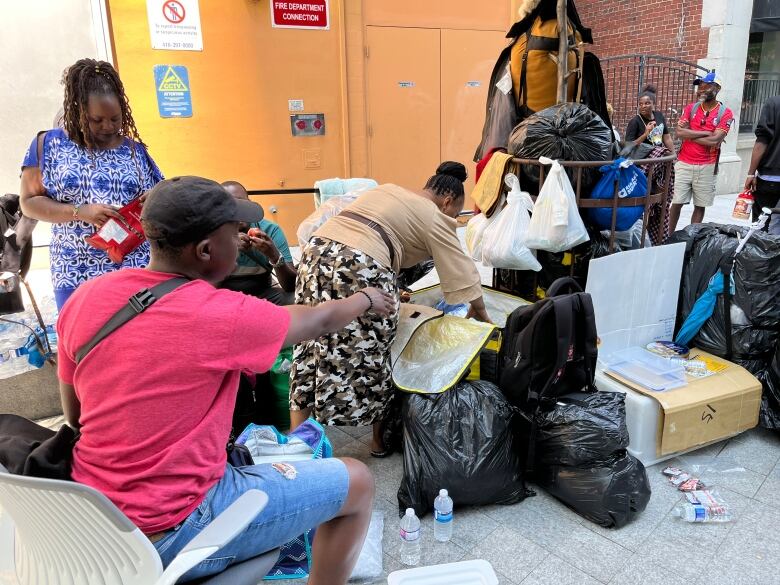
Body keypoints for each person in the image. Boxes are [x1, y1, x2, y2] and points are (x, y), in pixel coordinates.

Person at [56, 176, 393, 584]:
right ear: (205, 250)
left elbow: (74, 417)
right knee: (356, 484)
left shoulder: (87, 298)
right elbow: (318, 318)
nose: (241, 241)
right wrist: (366, 299)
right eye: (233, 234)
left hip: (88, 520)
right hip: (173, 528)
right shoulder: (221, 313)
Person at [290, 161, 490, 457]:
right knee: (374, 348)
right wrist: (481, 312)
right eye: (454, 211)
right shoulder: (434, 215)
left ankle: (297, 441)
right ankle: (378, 442)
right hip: (360, 264)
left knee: (310, 339)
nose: (451, 217)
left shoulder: (387, 191)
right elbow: (461, 270)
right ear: (448, 201)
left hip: (315, 255)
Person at [19, 58, 163, 310]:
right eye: (97, 120)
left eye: (115, 119)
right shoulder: (49, 145)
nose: (108, 126)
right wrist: (79, 211)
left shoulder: (135, 151)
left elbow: (162, 193)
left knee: (135, 341)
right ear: (77, 110)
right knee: (83, 342)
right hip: (75, 267)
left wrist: (154, 197)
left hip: (133, 266)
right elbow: (29, 203)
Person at [669, 71, 734, 232]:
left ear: (717, 88)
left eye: (706, 85)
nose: (701, 89)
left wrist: (690, 134)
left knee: (700, 205)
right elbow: (679, 133)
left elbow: (715, 140)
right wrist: (705, 133)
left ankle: (690, 237)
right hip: (684, 162)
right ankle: (668, 238)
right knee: (676, 202)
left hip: (707, 165)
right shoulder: (691, 108)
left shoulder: (725, 113)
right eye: (700, 85)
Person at [219, 180, 296, 305]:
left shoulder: (270, 230)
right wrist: (227, 249)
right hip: (222, 297)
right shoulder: (212, 231)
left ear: (249, 204)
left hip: (263, 294)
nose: (237, 211)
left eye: (241, 204)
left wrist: (274, 256)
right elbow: (203, 283)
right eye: (229, 206)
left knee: (298, 299)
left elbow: (291, 286)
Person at [623, 85, 677, 244]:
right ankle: (641, 237)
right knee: (645, 204)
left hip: (659, 167)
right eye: (641, 104)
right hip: (644, 167)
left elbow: (666, 137)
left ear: (654, 104)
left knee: (658, 202)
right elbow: (629, 146)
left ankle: (655, 237)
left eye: (647, 103)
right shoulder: (635, 122)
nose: (644, 106)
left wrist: (672, 155)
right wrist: (646, 133)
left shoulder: (659, 117)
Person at [744, 95, 780, 235]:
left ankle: (760, 254)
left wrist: (751, 173)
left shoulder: (773, 103)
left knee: (760, 225)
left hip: (770, 177)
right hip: (770, 176)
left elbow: (762, 140)